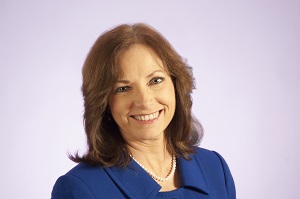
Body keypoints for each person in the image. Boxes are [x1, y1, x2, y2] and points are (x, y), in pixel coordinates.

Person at [51, 23, 236, 199]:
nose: (145, 102)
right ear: (104, 103)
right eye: (123, 88)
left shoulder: (214, 168)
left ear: (176, 84)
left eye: (155, 81)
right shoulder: (79, 189)